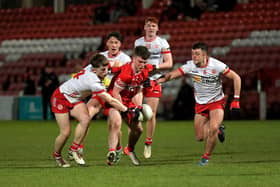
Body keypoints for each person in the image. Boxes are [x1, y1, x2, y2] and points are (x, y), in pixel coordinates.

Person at [156, 42, 241, 166]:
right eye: (192, 54)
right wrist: (158, 81)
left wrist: (236, 100)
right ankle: (219, 130)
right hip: (200, 104)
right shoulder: (190, 66)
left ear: (205, 55)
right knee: (200, 137)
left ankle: (205, 157)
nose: (194, 56)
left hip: (216, 102)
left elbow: (236, 77)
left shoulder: (216, 65)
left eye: (197, 54)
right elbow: (172, 75)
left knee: (212, 129)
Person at [51, 54, 129, 168]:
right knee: (65, 133)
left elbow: (106, 66)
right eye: (103, 70)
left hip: (75, 98)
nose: (106, 72)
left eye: (107, 69)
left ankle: (74, 149)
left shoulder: (91, 67)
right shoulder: (93, 82)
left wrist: (115, 67)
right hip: (60, 98)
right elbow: (110, 100)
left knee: (86, 120)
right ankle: (57, 155)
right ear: (94, 70)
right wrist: (126, 109)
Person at [70, 31, 131, 159]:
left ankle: (117, 148)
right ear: (106, 43)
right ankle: (78, 148)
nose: (113, 45)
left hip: (114, 94)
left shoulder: (125, 59)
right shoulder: (100, 57)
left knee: (115, 123)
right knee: (85, 118)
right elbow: (86, 71)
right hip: (99, 93)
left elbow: (128, 78)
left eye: (116, 42)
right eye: (111, 42)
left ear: (120, 44)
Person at [105, 46, 155, 166]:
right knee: (116, 122)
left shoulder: (144, 71)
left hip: (129, 100)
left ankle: (130, 149)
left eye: (144, 62)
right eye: (140, 61)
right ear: (133, 59)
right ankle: (112, 152)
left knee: (138, 130)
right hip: (114, 99)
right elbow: (116, 93)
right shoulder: (125, 74)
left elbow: (137, 91)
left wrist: (138, 107)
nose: (142, 64)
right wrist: (124, 110)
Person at [134, 17, 173, 159]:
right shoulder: (138, 42)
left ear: (157, 29)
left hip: (154, 80)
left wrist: (154, 66)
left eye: (154, 26)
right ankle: (131, 144)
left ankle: (148, 142)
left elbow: (169, 63)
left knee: (151, 113)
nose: (151, 28)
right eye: (148, 25)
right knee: (134, 112)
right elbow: (136, 61)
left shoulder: (162, 42)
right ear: (144, 27)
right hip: (139, 80)